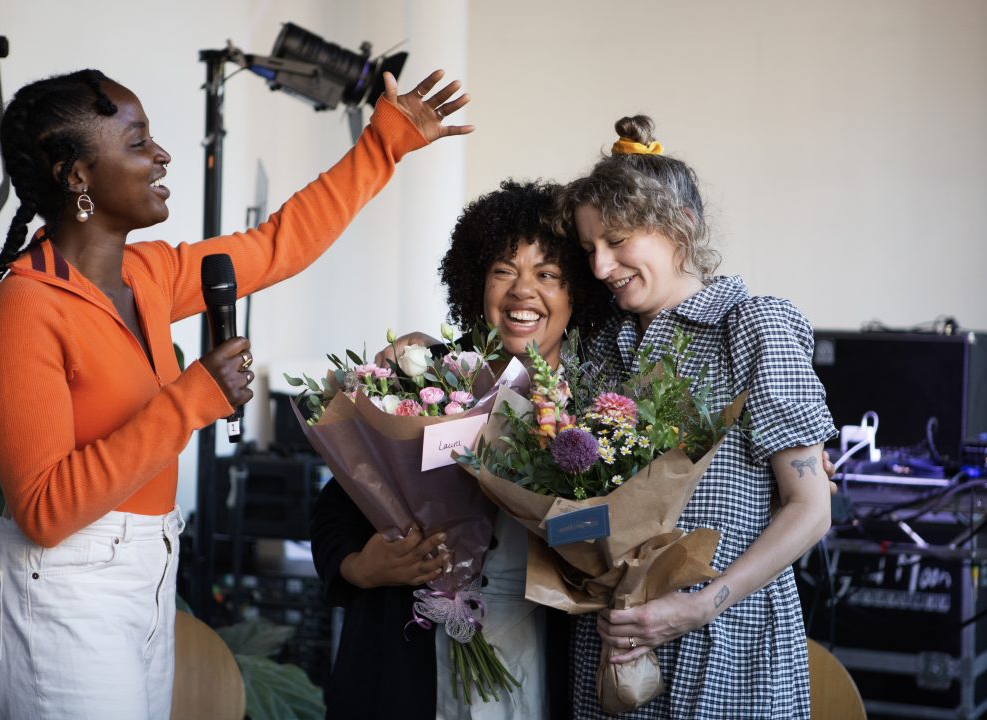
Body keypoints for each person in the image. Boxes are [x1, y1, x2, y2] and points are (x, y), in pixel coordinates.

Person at [0, 65, 471, 720]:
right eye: (137, 142)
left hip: (147, 576)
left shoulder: (148, 275)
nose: (161, 155)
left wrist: (385, 141)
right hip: (61, 592)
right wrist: (189, 401)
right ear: (77, 176)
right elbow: (44, 511)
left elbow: (280, 244)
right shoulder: (26, 308)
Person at [551, 114, 836, 719]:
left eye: (617, 241)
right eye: (590, 248)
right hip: (615, 648)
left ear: (680, 226)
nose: (600, 267)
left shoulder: (753, 326)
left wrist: (702, 605)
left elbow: (811, 509)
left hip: (730, 650)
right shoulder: (597, 350)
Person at [310, 179, 612, 719]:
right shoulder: (427, 381)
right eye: (504, 271)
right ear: (476, 283)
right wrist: (361, 567)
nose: (523, 291)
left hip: (537, 651)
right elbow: (342, 498)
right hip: (407, 650)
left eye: (547, 274)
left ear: (578, 294)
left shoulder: (601, 408)